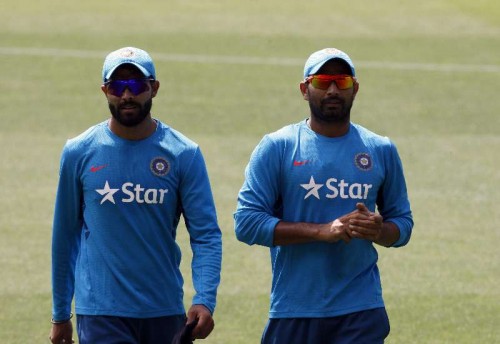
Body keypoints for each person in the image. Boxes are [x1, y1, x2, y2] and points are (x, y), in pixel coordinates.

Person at [234, 47, 413, 344]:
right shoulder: (277, 147)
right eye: (322, 82)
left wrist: (378, 230)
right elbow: (246, 223)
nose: (332, 90)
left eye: (341, 82)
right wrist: (320, 232)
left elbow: (403, 224)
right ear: (305, 89)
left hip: (361, 310)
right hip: (294, 309)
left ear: (354, 89)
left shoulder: (380, 149)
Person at [49, 47, 222, 344]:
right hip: (102, 312)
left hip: (164, 310)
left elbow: (206, 234)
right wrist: (61, 313)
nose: (126, 95)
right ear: (105, 90)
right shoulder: (79, 151)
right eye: (117, 86)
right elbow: (65, 237)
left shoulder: (183, 154)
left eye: (136, 85)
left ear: (153, 88)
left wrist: (204, 298)